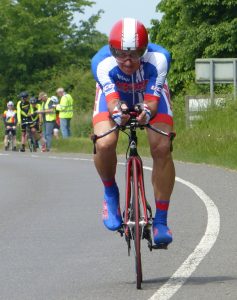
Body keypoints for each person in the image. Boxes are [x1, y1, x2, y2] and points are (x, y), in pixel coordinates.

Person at [91, 18, 175, 246]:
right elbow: (111, 103)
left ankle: (161, 221)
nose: (128, 61)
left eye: (135, 54)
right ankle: (110, 193)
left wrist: (146, 113)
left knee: (162, 146)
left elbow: (153, 103)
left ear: (144, 50)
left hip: (148, 95)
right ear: (111, 51)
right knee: (104, 143)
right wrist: (118, 113)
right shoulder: (101, 63)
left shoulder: (159, 59)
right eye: (120, 54)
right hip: (116, 95)